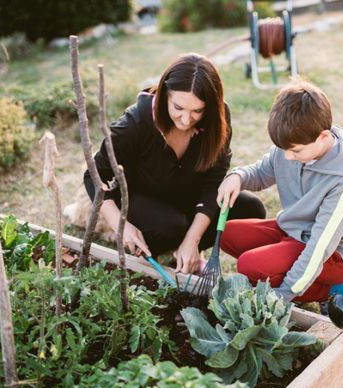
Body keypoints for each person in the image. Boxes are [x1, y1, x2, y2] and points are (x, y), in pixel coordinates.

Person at [84, 53, 266, 274]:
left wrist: (193, 240)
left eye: (197, 111)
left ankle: (187, 250)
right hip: (144, 202)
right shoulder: (134, 124)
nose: (186, 119)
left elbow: (213, 183)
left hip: (188, 198)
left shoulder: (218, 119)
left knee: (250, 208)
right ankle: (155, 246)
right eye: (178, 108)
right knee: (170, 226)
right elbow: (95, 175)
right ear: (164, 96)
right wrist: (120, 226)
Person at [217, 79, 343, 303]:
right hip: (293, 231)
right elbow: (262, 172)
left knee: (249, 265)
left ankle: (330, 291)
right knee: (227, 234)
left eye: (295, 151)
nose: (288, 157)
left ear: (324, 138)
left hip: (336, 253)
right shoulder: (293, 144)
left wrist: (282, 294)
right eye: (284, 149)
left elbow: (320, 247)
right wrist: (237, 176)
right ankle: (291, 270)